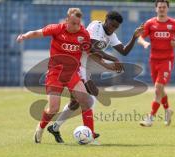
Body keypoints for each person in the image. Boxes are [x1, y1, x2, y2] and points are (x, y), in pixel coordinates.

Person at [17, 8, 121, 143]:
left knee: (86, 101)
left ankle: (90, 136)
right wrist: (25, 36)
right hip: (55, 73)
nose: (76, 26)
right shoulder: (56, 29)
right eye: (73, 23)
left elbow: (91, 53)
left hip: (73, 74)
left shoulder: (83, 34)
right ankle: (41, 127)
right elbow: (37, 32)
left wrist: (107, 65)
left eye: (78, 23)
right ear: (67, 21)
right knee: (53, 108)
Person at [47, 11, 144, 143]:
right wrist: (112, 58)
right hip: (77, 66)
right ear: (106, 20)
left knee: (74, 103)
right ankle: (89, 133)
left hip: (86, 70)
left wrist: (134, 37)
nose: (112, 28)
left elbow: (125, 51)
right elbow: (91, 48)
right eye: (111, 25)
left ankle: (55, 127)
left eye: (116, 27)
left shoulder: (112, 35)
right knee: (92, 94)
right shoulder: (95, 26)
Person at [138, 0, 175, 127]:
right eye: (160, 7)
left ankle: (150, 118)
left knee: (158, 88)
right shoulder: (150, 23)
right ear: (156, 9)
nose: (162, 9)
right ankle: (168, 110)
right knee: (160, 89)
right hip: (153, 60)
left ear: (168, 9)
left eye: (164, 7)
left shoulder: (174, 24)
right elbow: (140, 37)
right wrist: (145, 43)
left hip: (167, 60)